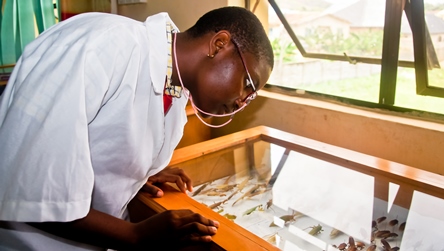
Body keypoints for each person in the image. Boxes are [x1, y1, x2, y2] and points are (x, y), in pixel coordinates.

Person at [0, 5, 273, 251]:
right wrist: (136, 235)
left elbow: (94, 144)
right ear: (219, 44)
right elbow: (28, 187)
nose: (242, 100)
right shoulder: (101, 44)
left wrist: (135, 174)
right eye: (248, 83)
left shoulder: (176, 92)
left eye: (251, 97)